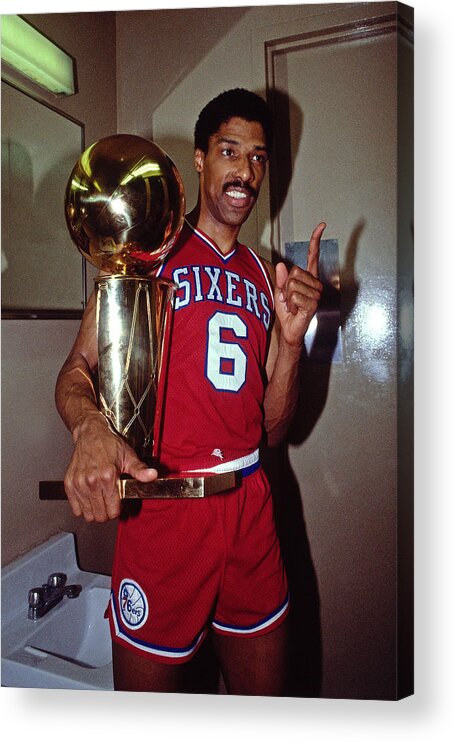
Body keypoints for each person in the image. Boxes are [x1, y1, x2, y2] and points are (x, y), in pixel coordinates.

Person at [55, 88, 325, 695]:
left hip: (251, 505)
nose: (246, 172)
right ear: (200, 160)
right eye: (230, 152)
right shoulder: (148, 251)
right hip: (166, 511)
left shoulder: (264, 273)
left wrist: (287, 343)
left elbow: (274, 431)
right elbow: (75, 372)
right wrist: (89, 427)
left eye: (258, 157)